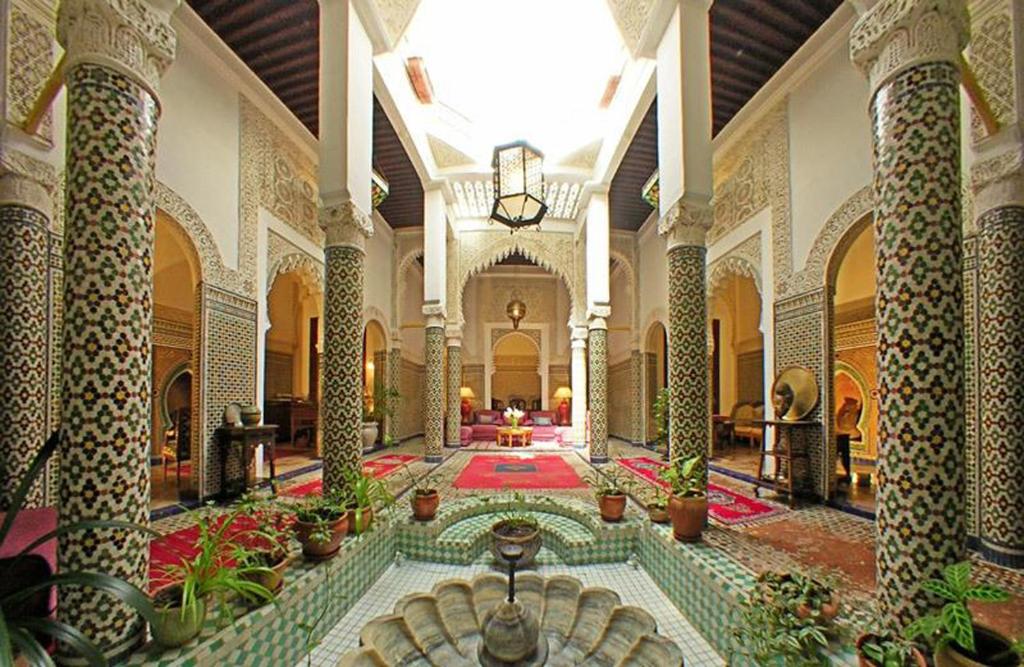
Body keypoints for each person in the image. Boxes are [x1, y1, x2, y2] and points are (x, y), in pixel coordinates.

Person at [835, 396, 862, 484]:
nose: (845, 414)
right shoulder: (845, 410)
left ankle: (846, 475)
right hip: (840, 435)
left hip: (845, 435)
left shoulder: (852, 412)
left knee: (844, 456)